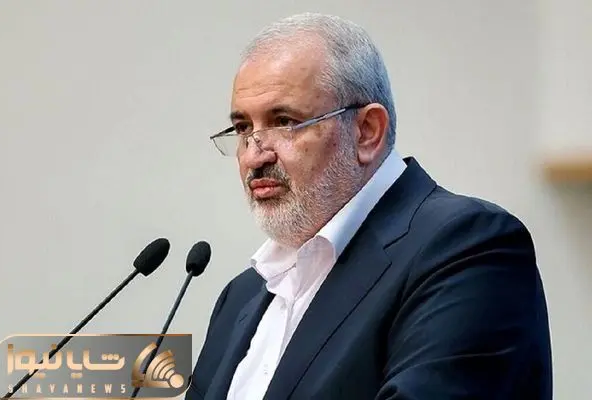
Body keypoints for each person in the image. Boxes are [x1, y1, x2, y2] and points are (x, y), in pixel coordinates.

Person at [186, 12, 552, 400]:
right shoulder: (240, 297)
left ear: (367, 131)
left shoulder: (467, 248)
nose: (253, 155)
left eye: (284, 121)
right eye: (243, 128)